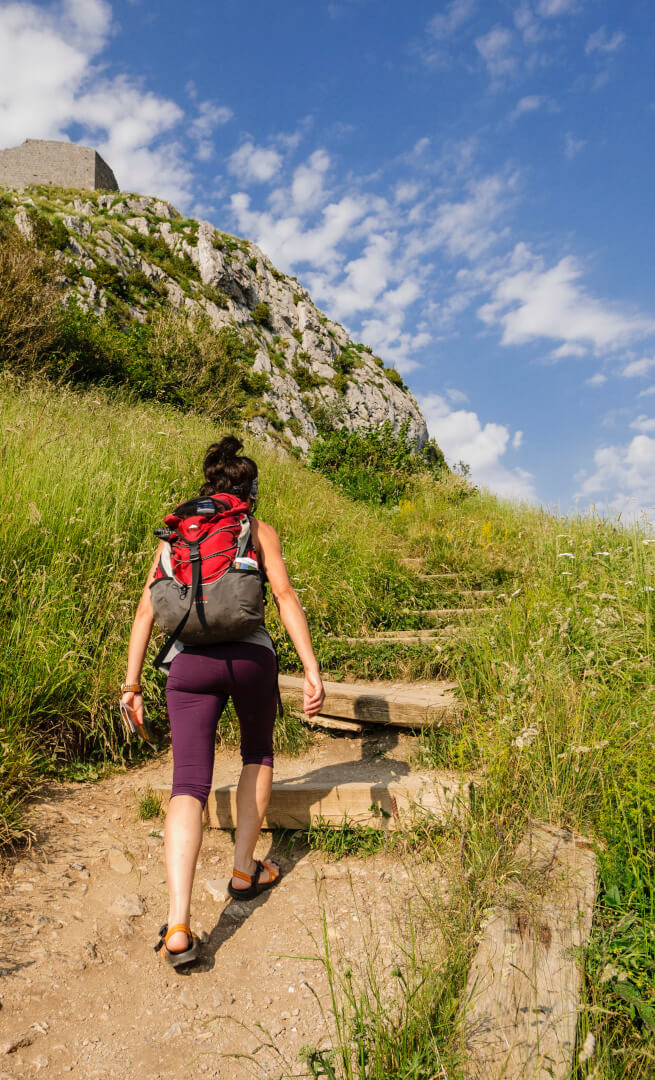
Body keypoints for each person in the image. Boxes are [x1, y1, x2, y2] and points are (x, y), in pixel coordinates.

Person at [120, 436, 325, 965]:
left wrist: (132, 685)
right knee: (257, 752)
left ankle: (180, 925)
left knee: (187, 785)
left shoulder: (174, 538)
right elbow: (283, 596)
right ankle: (243, 871)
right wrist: (310, 667)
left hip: (189, 667)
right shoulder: (256, 530)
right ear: (250, 491)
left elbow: (145, 615)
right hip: (251, 661)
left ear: (209, 485)